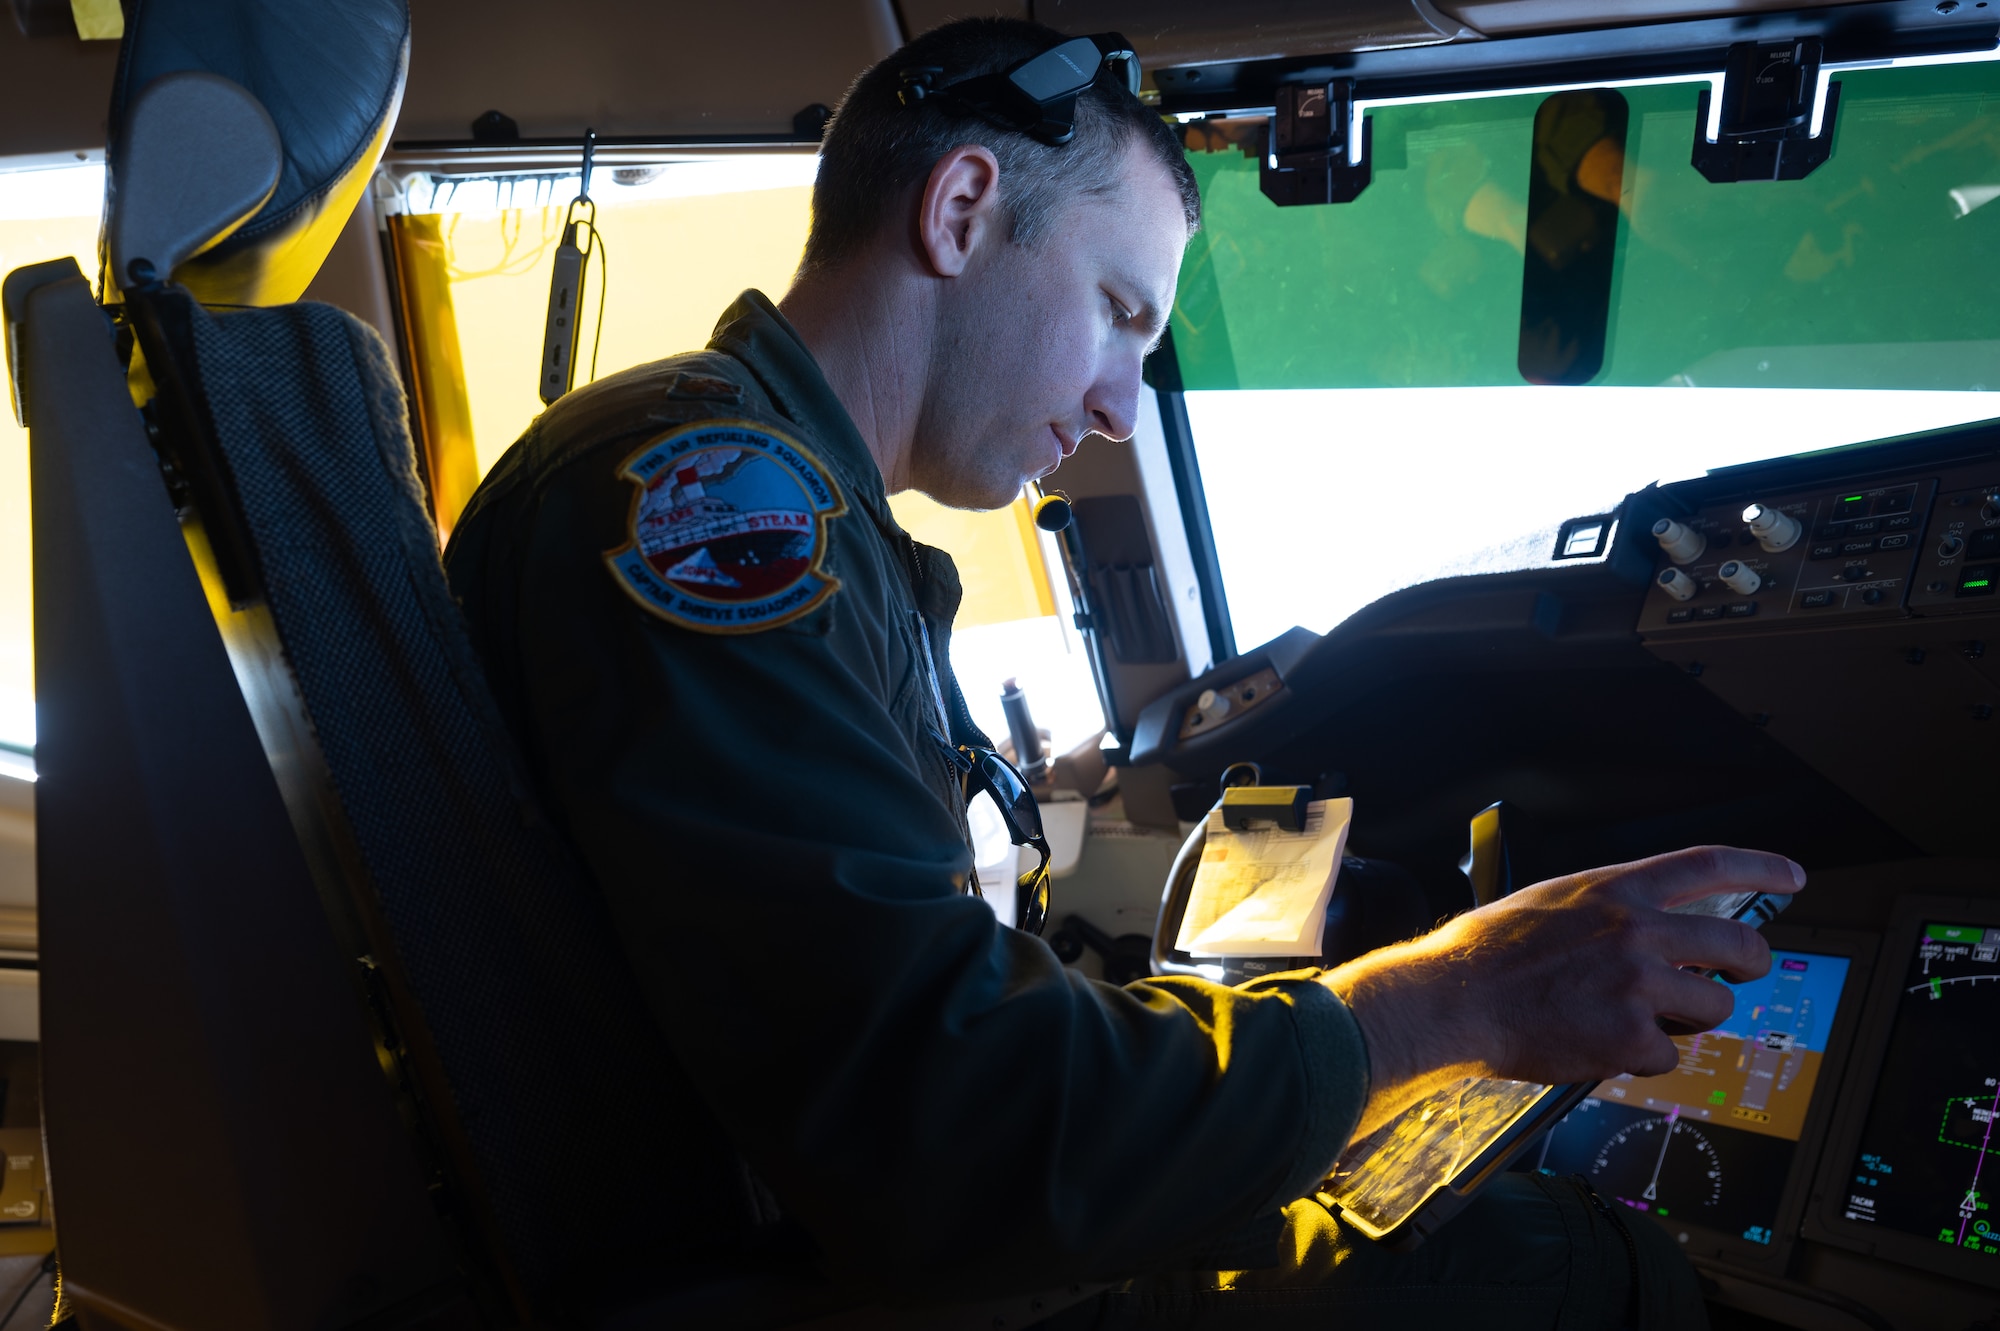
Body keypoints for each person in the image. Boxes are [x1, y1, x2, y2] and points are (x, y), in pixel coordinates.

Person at [443, 17, 1802, 1327]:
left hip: (786, 1230)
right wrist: (1451, 996)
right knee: (1578, 1271)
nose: (1115, 409)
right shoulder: (715, 503)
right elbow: (944, 1128)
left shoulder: (773, 500)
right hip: (774, 1270)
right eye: (1115, 311)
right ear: (962, 208)